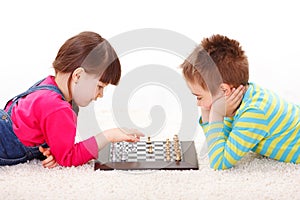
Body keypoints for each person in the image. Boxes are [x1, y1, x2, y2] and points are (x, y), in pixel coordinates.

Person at [0, 31, 143, 168]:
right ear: (78, 76)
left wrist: (55, 150)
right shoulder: (57, 107)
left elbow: (32, 127)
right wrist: (108, 135)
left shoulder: (48, 84)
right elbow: (68, 158)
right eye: (99, 86)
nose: (101, 94)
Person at [181, 34, 300, 170]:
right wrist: (210, 113)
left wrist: (217, 114)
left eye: (199, 97)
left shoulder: (253, 113)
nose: (198, 104)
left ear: (225, 91)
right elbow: (220, 141)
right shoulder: (238, 98)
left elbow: (219, 163)